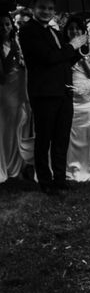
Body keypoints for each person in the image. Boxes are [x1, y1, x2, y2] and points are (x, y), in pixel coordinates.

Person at [18, 0, 86, 194]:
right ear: (33, 8)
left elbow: (62, 62)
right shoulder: (28, 31)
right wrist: (72, 45)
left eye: (50, 8)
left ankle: (59, 178)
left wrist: (79, 51)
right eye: (42, 7)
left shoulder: (54, 32)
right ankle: (45, 181)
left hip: (64, 92)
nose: (46, 11)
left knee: (61, 138)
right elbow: (48, 58)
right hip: (44, 93)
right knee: (44, 138)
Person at [64, 17, 90, 182]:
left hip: (87, 100)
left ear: (83, 32)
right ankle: (69, 167)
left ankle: (88, 165)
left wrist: (83, 59)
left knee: (86, 134)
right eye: (71, 28)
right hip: (67, 98)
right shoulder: (63, 48)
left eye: (78, 29)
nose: (74, 32)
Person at [0, 13, 30, 183]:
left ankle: (18, 165)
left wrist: (21, 59)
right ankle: (8, 165)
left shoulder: (15, 42)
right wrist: (12, 54)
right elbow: (2, 75)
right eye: (1, 25)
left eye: (7, 24)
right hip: (6, 91)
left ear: (12, 25)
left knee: (20, 127)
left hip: (20, 88)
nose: (5, 28)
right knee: (8, 130)